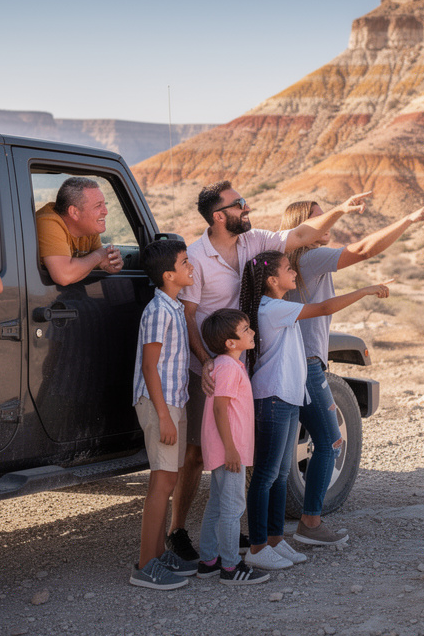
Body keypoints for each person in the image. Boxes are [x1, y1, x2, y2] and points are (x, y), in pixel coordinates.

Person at [167, 180, 372, 562]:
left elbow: (300, 233)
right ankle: (178, 530)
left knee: (246, 454)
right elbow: (190, 316)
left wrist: (343, 207)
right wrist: (207, 359)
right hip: (209, 366)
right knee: (197, 452)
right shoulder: (196, 256)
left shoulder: (254, 240)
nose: (247, 209)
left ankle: (242, 534)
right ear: (218, 215)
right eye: (239, 205)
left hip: (245, 363)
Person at [279, 197, 424, 545]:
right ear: (304, 228)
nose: (327, 225)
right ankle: (310, 523)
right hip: (308, 363)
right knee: (330, 442)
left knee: (281, 451)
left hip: (286, 362)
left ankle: (272, 536)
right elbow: (365, 249)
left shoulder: (289, 259)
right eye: (319, 220)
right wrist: (409, 218)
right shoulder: (310, 257)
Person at [237, 250, 391, 570]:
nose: (295, 273)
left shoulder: (278, 307)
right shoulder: (274, 308)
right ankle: (256, 546)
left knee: (280, 475)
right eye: (288, 269)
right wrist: (364, 290)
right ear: (271, 280)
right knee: (266, 475)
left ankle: (276, 541)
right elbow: (323, 307)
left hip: (289, 398)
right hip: (274, 399)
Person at [129, 239, 198, 590]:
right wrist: (165, 417)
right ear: (169, 275)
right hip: (161, 405)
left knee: (169, 479)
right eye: (186, 262)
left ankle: (156, 554)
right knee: (161, 482)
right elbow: (150, 368)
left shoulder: (174, 307)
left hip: (174, 401)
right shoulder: (158, 312)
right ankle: (144, 565)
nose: (192, 267)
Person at [194, 308, 269, 585]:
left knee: (217, 503)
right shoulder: (226, 366)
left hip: (225, 448)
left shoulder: (230, 364)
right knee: (232, 507)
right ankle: (230, 566)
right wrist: (231, 449)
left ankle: (209, 561)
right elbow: (220, 409)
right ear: (230, 342)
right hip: (228, 449)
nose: (251, 332)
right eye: (246, 330)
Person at [37, 176, 124, 285]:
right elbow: (64, 276)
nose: (106, 211)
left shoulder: (88, 228)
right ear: (74, 212)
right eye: (98, 206)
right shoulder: (48, 222)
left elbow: (96, 262)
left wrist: (110, 263)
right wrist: (100, 256)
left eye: (104, 204)